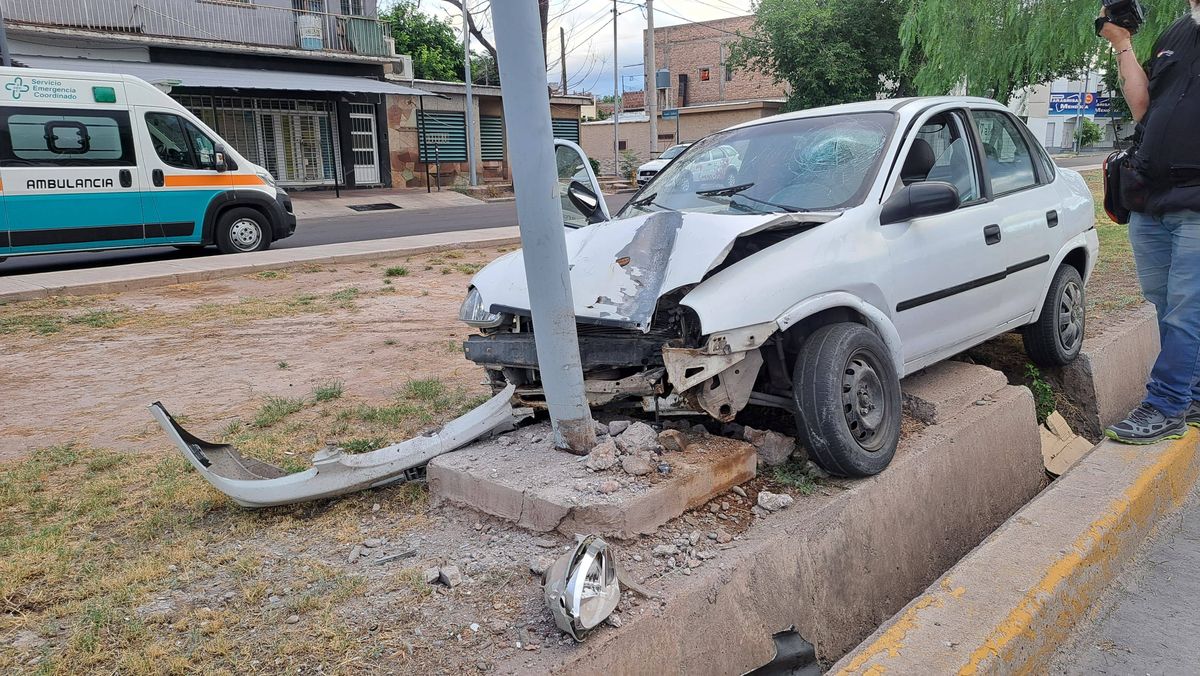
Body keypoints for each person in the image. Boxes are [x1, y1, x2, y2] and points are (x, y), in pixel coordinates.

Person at [1101, 1, 1200, 443]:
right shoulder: (1177, 33)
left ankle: (1166, 404)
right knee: (1164, 302)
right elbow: (1142, 106)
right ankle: (1192, 393)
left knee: (1187, 309)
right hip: (1149, 196)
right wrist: (1123, 44)